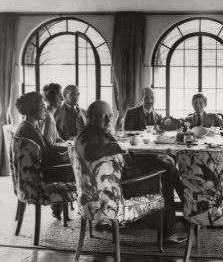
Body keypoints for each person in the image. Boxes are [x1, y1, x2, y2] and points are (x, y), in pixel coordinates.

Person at [76, 100, 186, 244]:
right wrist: (116, 147)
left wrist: (155, 157)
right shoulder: (87, 135)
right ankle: (173, 227)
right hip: (124, 186)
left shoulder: (96, 132)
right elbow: (88, 152)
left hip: (125, 175)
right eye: (104, 116)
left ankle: (184, 206)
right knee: (166, 173)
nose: (109, 120)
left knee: (168, 160)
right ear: (91, 117)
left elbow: (125, 158)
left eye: (110, 115)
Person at [15, 92, 74, 220]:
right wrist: (69, 157)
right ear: (33, 109)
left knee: (72, 164)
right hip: (42, 179)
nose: (45, 108)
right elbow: (46, 158)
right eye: (42, 105)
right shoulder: (29, 131)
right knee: (77, 170)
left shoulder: (26, 127)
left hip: (34, 177)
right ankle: (91, 211)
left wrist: (67, 154)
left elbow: (46, 150)